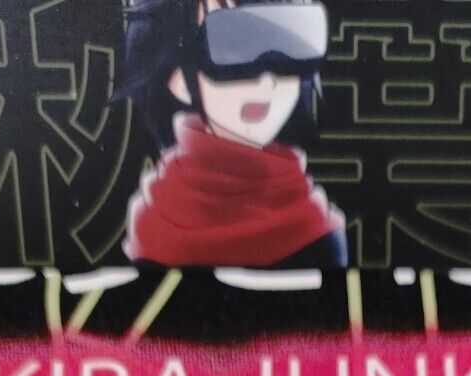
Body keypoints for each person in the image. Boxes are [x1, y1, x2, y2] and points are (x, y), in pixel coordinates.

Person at [120, 0, 348, 268]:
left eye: (288, 41)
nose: (266, 79)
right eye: (233, 43)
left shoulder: (317, 228)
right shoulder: (156, 224)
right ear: (177, 77)